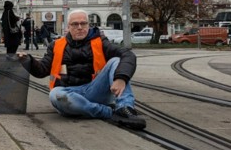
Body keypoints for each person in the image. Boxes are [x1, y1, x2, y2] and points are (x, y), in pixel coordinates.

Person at [16, 9, 146, 130]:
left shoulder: (100, 41)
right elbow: (42, 70)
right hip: (70, 92)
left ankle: (125, 108)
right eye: (75, 24)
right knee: (55, 95)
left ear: (88, 25)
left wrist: (121, 78)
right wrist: (29, 61)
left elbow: (128, 55)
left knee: (116, 61)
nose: (79, 27)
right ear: (68, 27)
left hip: (95, 89)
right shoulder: (56, 45)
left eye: (83, 23)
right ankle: (108, 112)